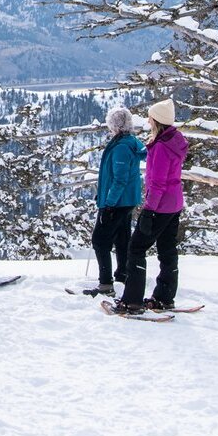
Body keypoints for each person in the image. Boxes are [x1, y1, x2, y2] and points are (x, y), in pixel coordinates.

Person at [118, 99, 187, 314]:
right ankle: (165, 297)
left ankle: (132, 300)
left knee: (136, 248)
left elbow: (157, 183)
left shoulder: (160, 147)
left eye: (150, 117)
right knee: (167, 249)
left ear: (156, 121)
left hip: (161, 205)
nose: (148, 120)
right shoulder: (176, 141)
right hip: (174, 203)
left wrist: (149, 210)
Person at [86, 106, 145, 296]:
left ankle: (105, 284)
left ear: (115, 125)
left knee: (100, 240)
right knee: (122, 238)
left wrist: (108, 203)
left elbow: (120, 179)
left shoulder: (121, 147)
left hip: (118, 202)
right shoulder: (129, 143)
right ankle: (122, 274)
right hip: (126, 200)